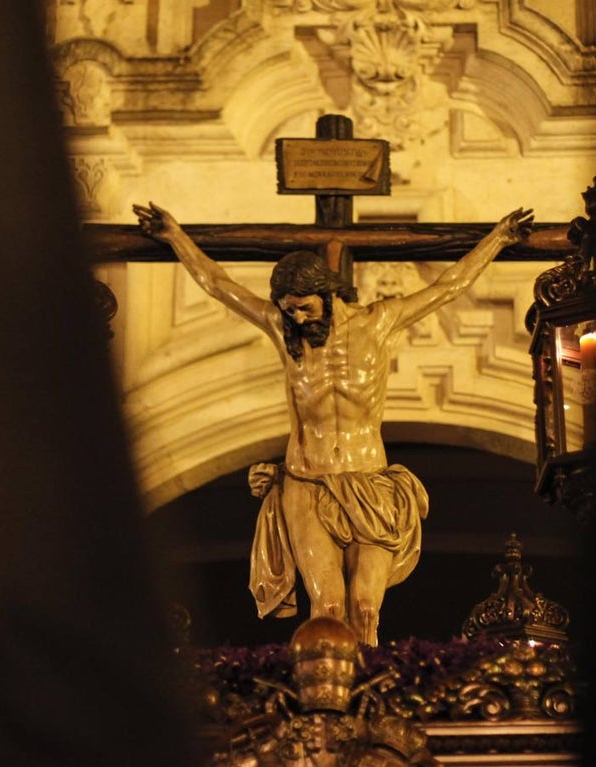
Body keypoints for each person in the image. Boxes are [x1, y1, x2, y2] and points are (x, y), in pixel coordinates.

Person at [134, 202, 534, 645]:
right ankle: (322, 701)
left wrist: (499, 238)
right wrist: (174, 237)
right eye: (288, 311)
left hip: (370, 483)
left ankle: (364, 700)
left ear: (325, 293)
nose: (297, 319)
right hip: (307, 482)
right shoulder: (282, 330)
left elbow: (449, 285)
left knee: (365, 606)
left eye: (303, 307)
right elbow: (218, 284)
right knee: (326, 607)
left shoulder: (378, 322)